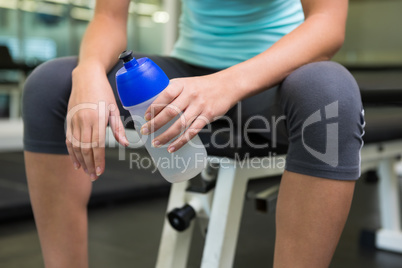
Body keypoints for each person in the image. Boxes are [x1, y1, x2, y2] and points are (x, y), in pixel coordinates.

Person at [22, 0, 364, 267]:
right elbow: (109, 18)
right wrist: (89, 71)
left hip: (273, 78)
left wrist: (225, 84)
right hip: (184, 74)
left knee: (330, 92)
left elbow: (327, 24)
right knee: (50, 85)